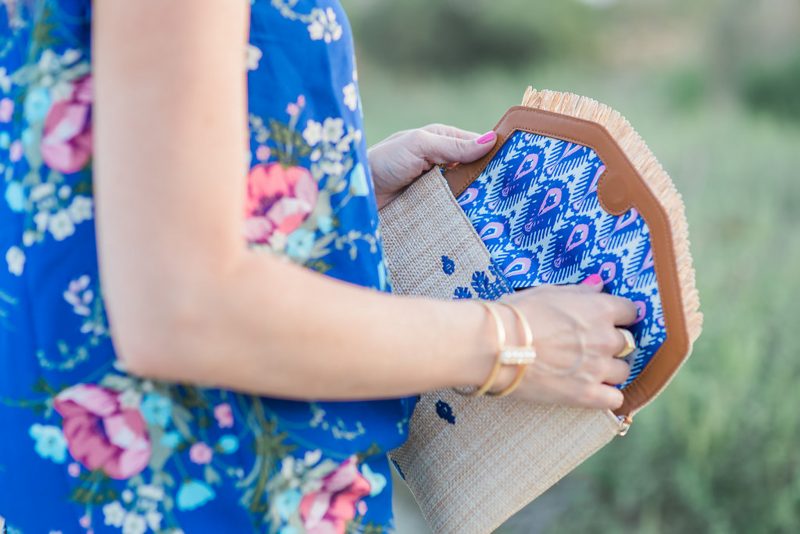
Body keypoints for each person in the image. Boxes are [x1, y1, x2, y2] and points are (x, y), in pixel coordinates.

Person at [0, 1, 637, 532]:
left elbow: (100, 192)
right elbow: (181, 306)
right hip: (201, 490)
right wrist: (511, 342)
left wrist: (334, 198)